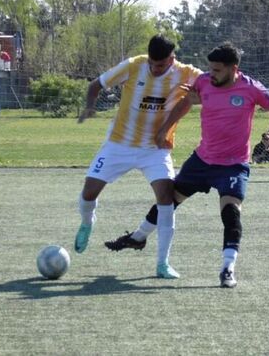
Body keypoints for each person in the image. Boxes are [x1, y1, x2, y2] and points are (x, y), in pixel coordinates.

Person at [104, 42, 269, 288]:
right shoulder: (203, 82)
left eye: (217, 70)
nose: (211, 74)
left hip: (233, 165)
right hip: (202, 160)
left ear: (234, 69)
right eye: (209, 68)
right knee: (168, 200)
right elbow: (186, 103)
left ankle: (227, 269)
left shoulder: (250, 88)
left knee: (231, 214)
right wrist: (164, 129)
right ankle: (138, 237)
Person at [74, 34, 203, 280]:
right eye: (152, 64)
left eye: (161, 65)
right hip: (118, 144)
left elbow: (212, 83)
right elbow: (95, 85)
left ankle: (162, 264)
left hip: (155, 149)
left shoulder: (186, 73)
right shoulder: (134, 65)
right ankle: (87, 222)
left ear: (172, 59)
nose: (155, 69)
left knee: (166, 198)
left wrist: (201, 96)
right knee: (89, 192)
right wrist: (90, 106)